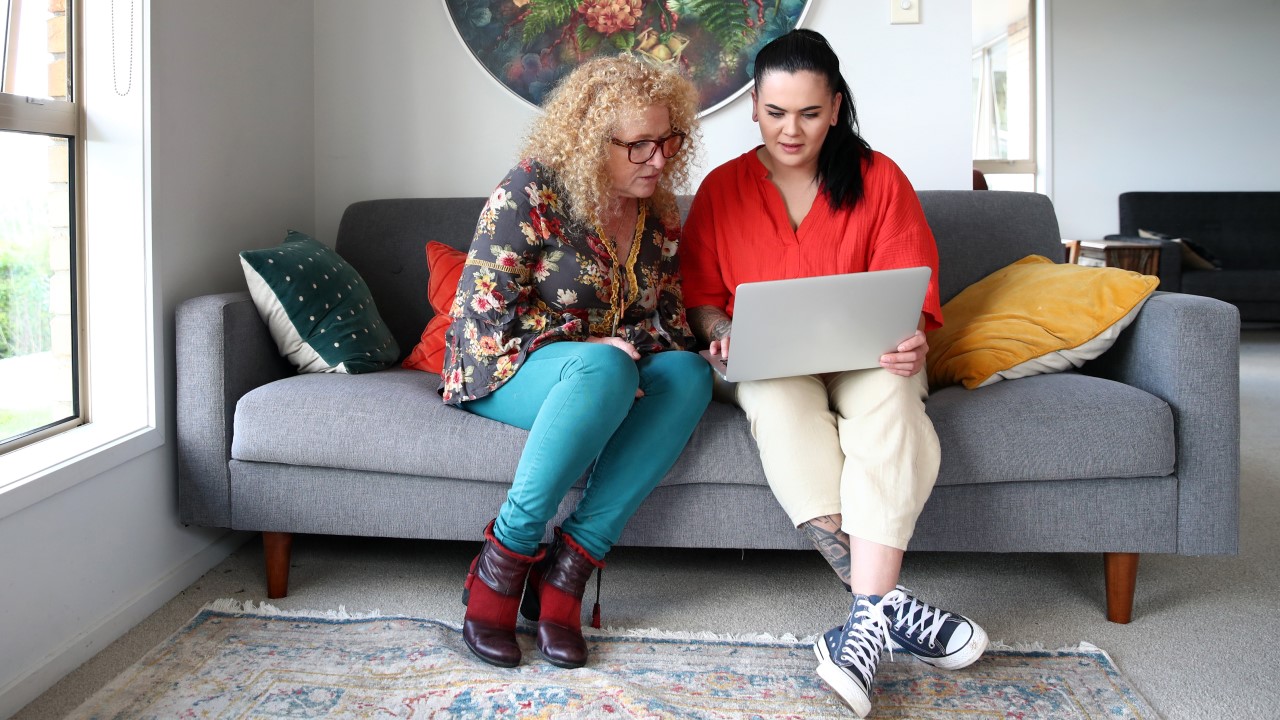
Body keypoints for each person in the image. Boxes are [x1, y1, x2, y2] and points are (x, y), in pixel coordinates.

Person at [681, 30, 987, 717]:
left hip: (866, 357)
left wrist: (911, 342)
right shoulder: (721, 189)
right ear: (753, 108)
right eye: (777, 112)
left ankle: (864, 622)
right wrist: (721, 331)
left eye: (811, 114)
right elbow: (700, 300)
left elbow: (911, 294)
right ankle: (886, 611)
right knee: (774, 400)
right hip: (768, 362)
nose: (793, 130)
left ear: (837, 107)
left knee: (893, 399)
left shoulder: (879, 178)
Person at [441, 55, 712, 670]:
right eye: (638, 145)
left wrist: (703, 344)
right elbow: (481, 313)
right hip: (503, 366)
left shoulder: (658, 212)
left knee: (687, 374)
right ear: (594, 140)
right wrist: (590, 350)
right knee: (604, 370)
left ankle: (566, 575)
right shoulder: (530, 191)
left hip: (605, 373)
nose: (659, 159)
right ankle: (501, 564)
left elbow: (663, 316)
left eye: (668, 140)